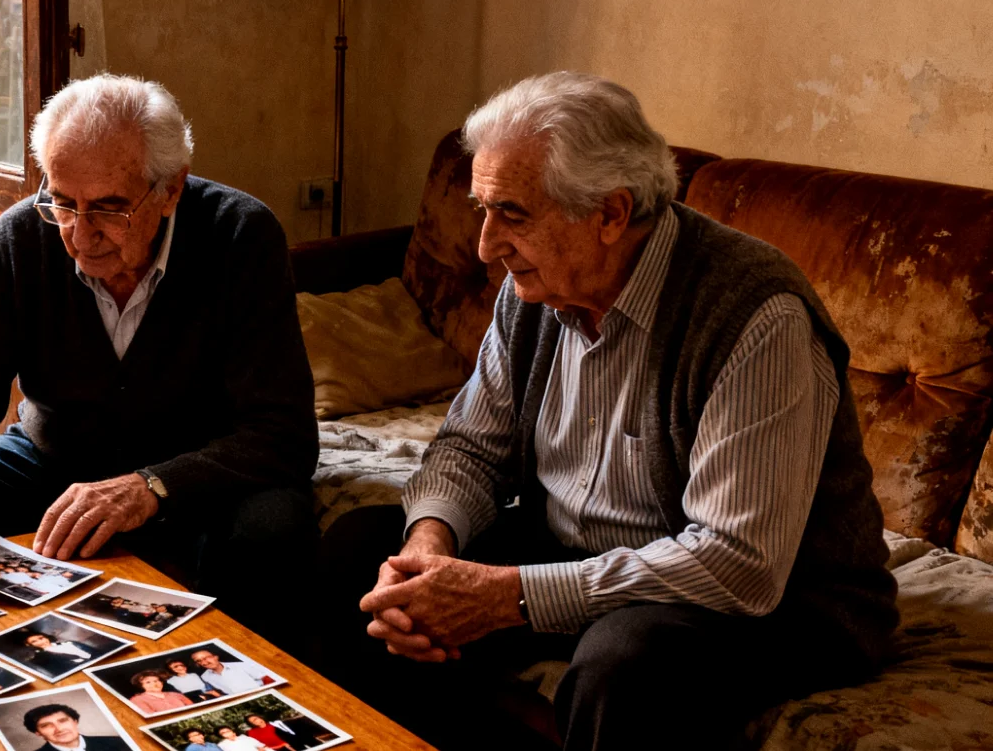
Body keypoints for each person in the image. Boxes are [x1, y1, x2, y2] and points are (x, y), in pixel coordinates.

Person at [318, 72, 899, 751]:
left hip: (777, 601)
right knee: (365, 554)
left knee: (625, 662)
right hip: (580, 546)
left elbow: (737, 562)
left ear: (611, 214)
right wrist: (429, 550)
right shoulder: (532, 287)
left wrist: (505, 595)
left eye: (512, 213)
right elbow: (471, 447)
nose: (484, 245)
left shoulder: (754, 316)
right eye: (482, 209)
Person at [0, 74, 318, 654]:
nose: (79, 235)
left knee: (274, 528)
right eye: (63, 202)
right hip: (53, 467)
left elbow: (284, 435)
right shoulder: (20, 238)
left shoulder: (241, 236)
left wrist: (150, 486)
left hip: (194, 487)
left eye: (110, 209)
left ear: (171, 190)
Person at [20, 703, 131, 751]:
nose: (59, 729)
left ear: (75, 721)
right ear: (38, 732)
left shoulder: (118, 742)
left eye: (62, 721)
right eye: (46, 726)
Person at [190, 649, 274, 696]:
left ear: (216, 657)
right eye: (199, 661)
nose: (204, 663)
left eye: (206, 658)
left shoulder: (241, 665)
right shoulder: (205, 676)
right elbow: (222, 691)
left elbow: (267, 678)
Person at [126, 670, 194, 714]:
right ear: (141, 686)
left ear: (161, 682)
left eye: (156, 681)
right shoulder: (137, 700)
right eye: (148, 682)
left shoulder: (176, 695)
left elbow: (193, 708)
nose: (154, 684)